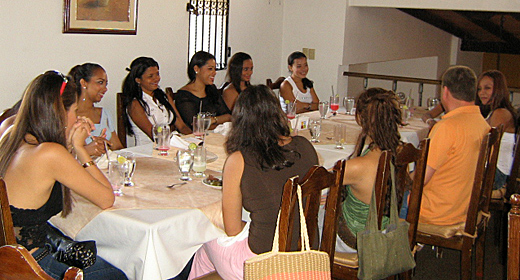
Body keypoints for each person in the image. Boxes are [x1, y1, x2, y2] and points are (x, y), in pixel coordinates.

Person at [0, 71, 127, 279]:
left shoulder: (10, 129)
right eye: (75, 110)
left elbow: (48, 170)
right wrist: (80, 147)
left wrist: (68, 143)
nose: (77, 117)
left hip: (7, 254)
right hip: (29, 264)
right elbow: (106, 198)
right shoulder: (50, 153)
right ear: (60, 111)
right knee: (117, 274)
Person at [188, 85, 319, 280]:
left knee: (206, 237)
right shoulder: (305, 146)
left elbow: (232, 230)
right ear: (277, 113)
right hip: (306, 254)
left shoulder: (239, 160)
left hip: (262, 266)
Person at [420, 66, 490, 225]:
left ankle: (401, 247)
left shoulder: (446, 127)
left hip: (438, 214)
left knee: (385, 196)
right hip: (466, 209)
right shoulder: (482, 124)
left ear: (445, 91)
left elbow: (420, 179)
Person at [335, 88, 403, 252]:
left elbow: (322, 180)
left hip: (357, 239)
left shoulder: (359, 166)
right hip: (386, 228)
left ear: (360, 118)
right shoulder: (399, 151)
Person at [122, 57, 190, 146]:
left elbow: (182, 126)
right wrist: (178, 141)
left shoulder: (164, 97)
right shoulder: (135, 104)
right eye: (150, 76)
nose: (156, 79)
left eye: (157, 74)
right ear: (138, 80)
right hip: (149, 150)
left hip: (169, 145)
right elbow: (154, 135)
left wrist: (196, 139)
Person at [475, 70, 517, 197]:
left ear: (498, 89)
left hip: (496, 175)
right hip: (491, 169)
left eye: (487, 88)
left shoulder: (501, 113)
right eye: (479, 89)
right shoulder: (493, 112)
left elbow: (484, 141)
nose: (482, 92)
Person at [69, 63, 124, 155]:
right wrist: (88, 149)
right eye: (100, 82)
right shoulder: (69, 116)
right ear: (83, 83)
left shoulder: (104, 114)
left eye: (106, 84)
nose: (105, 89)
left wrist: (105, 146)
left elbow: (118, 148)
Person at [175, 51, 232, 130]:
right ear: (196, 69)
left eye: (214, 69)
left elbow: (228, 116)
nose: (214, 73)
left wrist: (212, 120)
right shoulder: (184, 95)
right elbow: (195, 126)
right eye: (210, 69)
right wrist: (217, 123)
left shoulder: (212, 90)